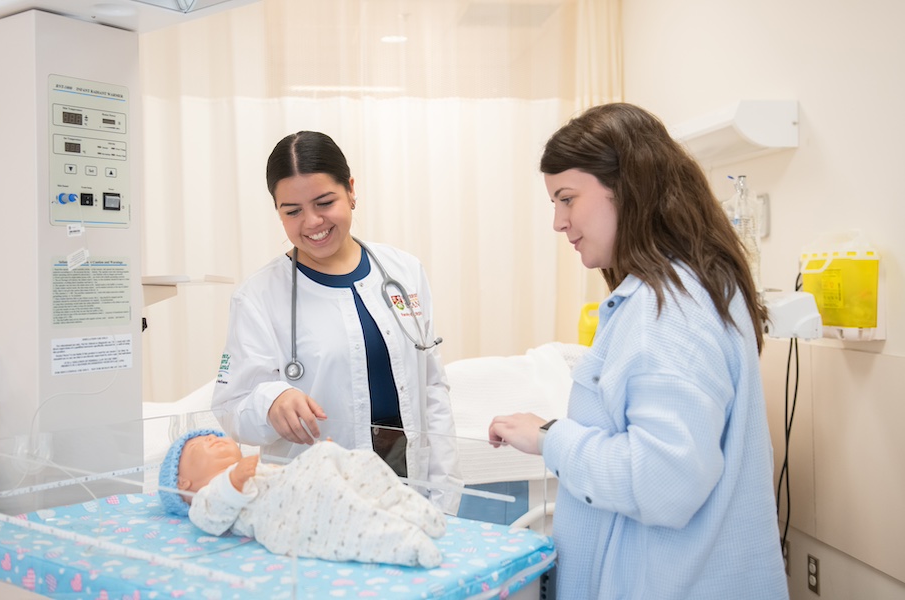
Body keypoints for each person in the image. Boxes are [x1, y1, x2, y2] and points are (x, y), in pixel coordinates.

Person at [488, 103, 788, 598]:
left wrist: (551, 439)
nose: (559, 223)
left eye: (567, 199)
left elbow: (663, 482)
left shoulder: (671, 312)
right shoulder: (686, 290)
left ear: (625, 188)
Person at [212, 130, 462, 513]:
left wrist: (445, 494)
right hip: (315, 494)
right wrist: (270, 401)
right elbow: (232, 409)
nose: (311, 222)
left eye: (324, 202)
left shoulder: (404, 271)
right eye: (292, 211)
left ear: (350, 190)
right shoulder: (259, 297)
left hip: (408, 477)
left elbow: (432, 388)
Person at [158, 429, 446, 568]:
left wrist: (321, 459)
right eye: (199, 446)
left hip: (304, 488)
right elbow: (212, 519)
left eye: (213, 435)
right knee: (347, 521)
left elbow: (290, 478)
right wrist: (232, 482)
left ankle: (410, 509)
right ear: (183, 483)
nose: (213, 438)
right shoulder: (206, 497)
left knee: (363, 466)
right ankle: (405, 543)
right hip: (291, 514)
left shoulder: (257, 469)